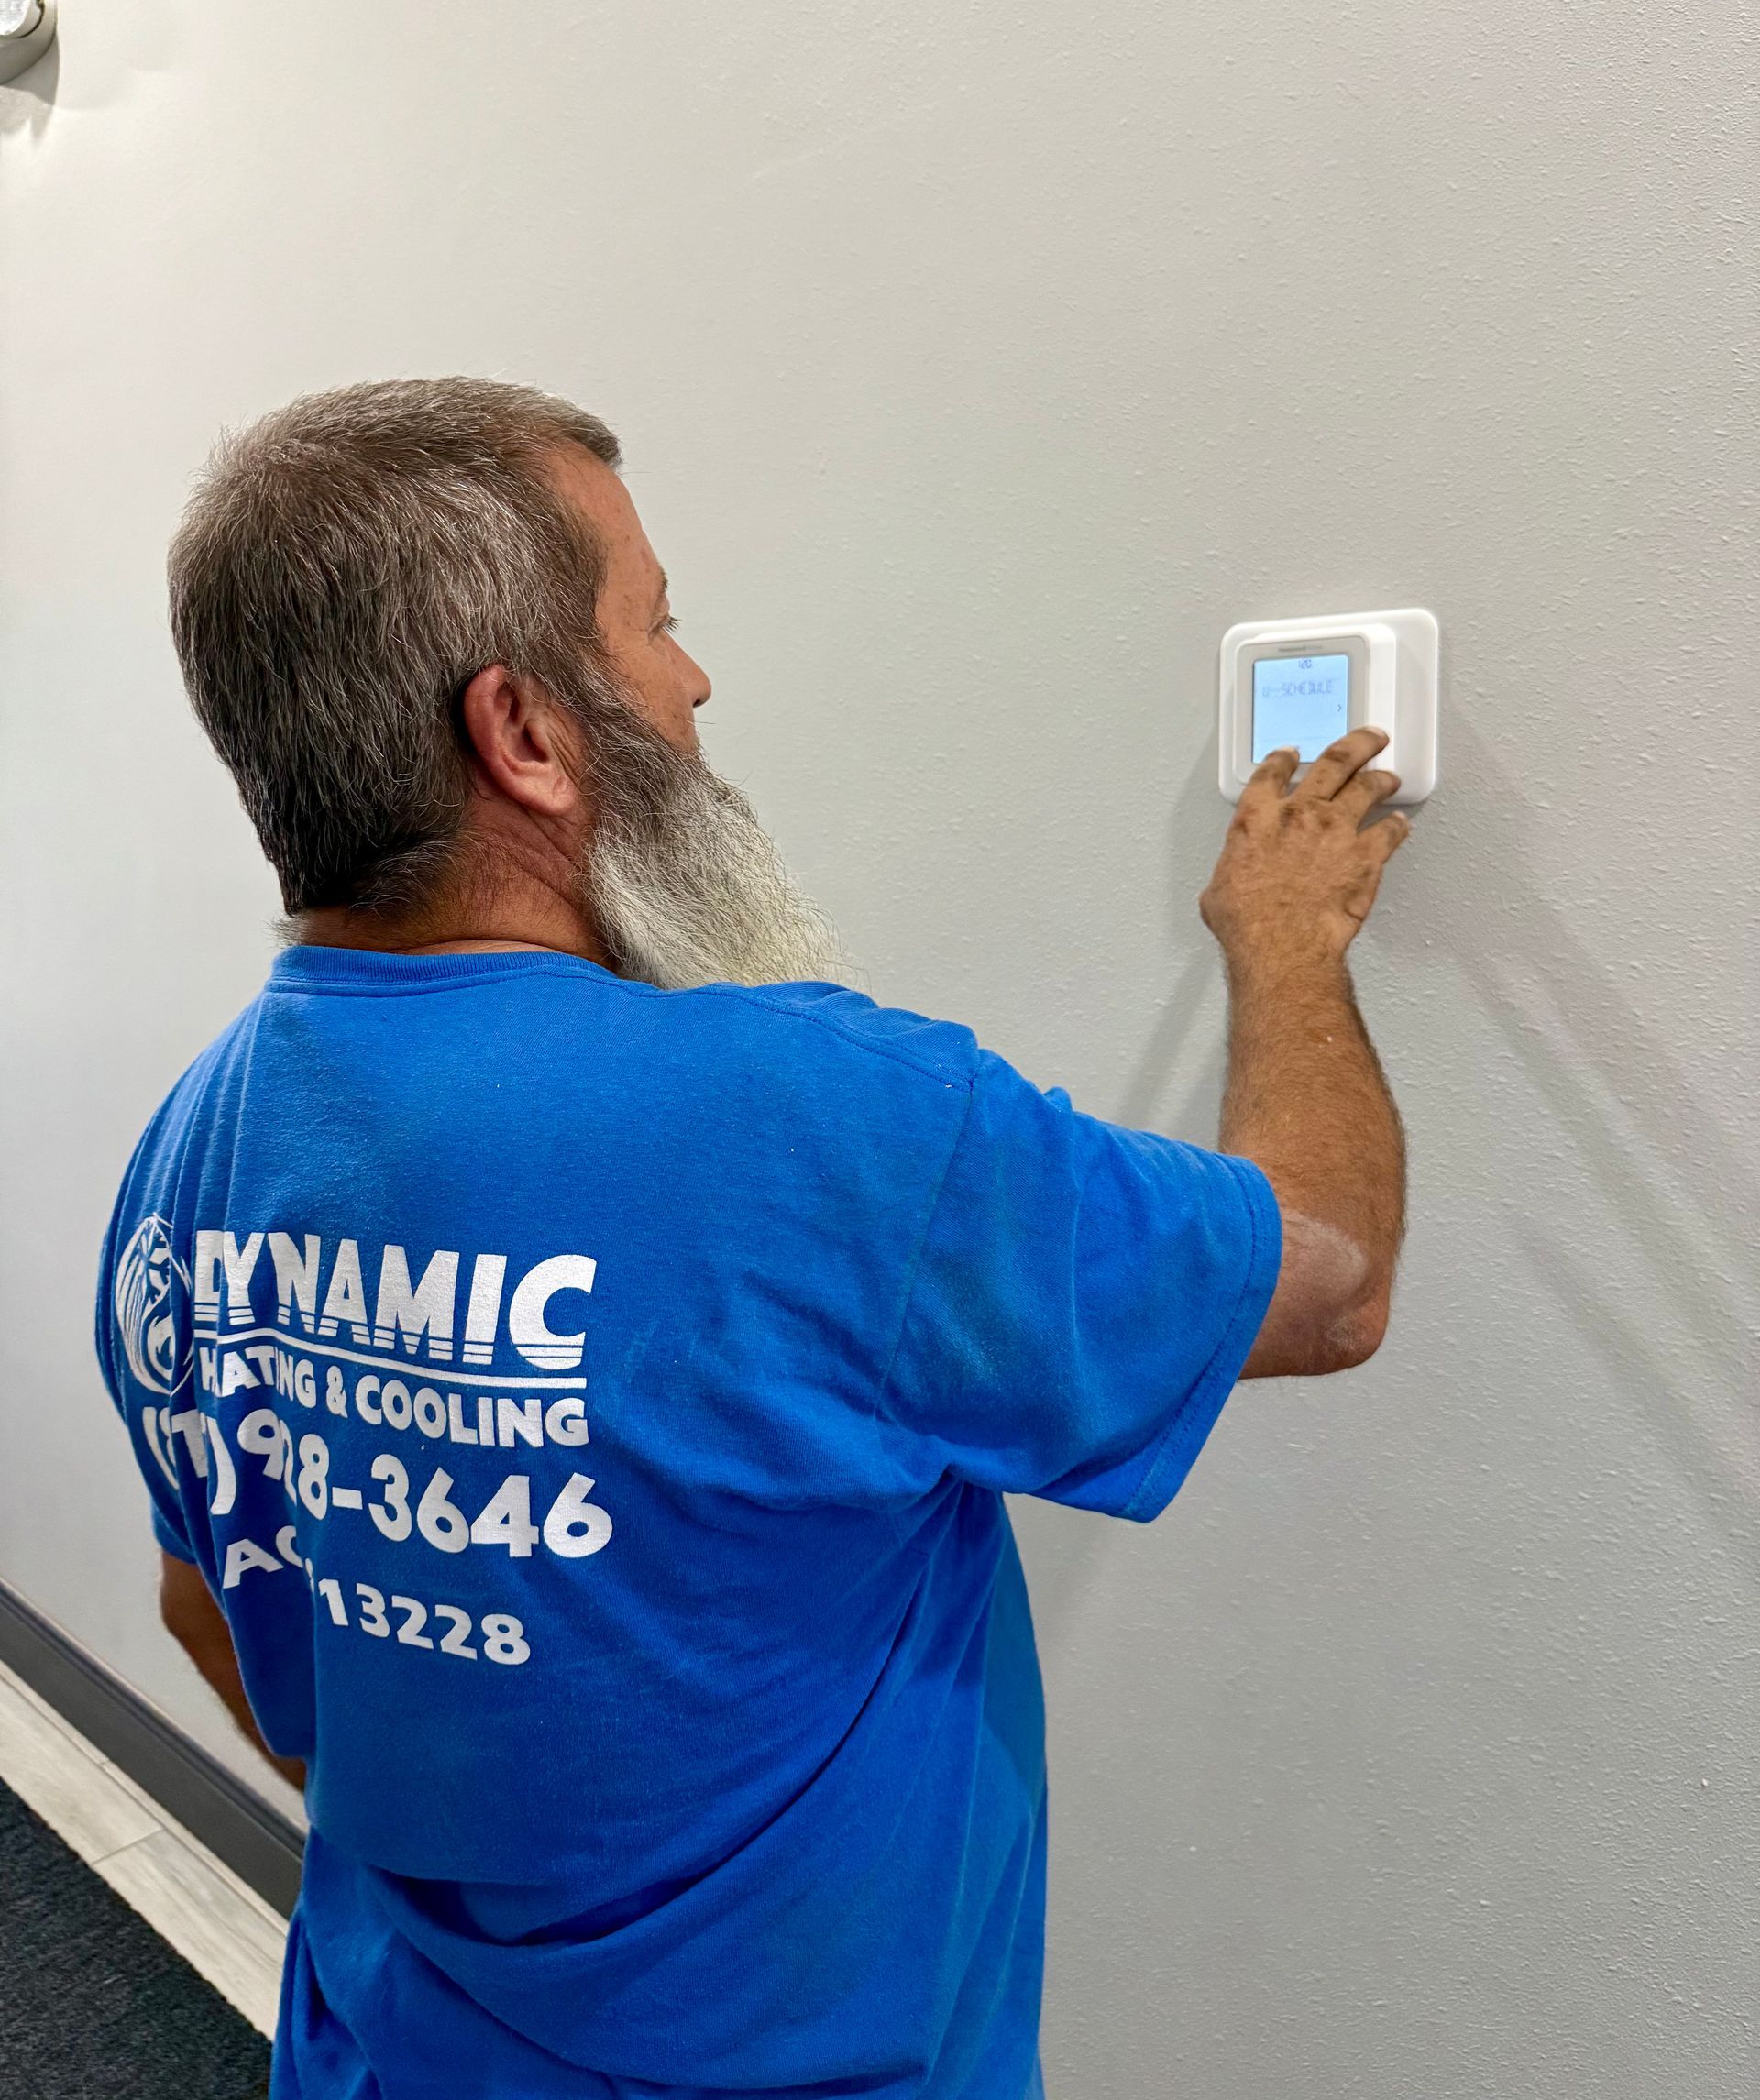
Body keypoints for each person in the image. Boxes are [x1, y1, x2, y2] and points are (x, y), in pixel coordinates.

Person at [96, 377, 1409, 2100]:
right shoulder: (820, 1121)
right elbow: (1328, 1276)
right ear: (529, 734)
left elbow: (209, 1603)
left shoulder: (187, 1154)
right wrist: (1288, 945)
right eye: (654, 625)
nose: (694, 682)